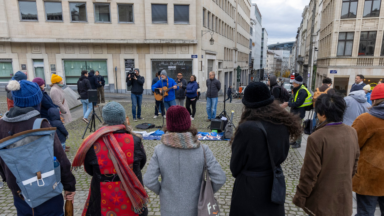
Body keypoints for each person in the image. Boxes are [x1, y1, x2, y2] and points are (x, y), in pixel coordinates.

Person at [0, 80, 76, 215]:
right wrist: (69, 186)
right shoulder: (41, 125)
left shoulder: (1, 125)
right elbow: (61, 158)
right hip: (47, 188)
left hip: (19, 189)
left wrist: (7, 177)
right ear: (37, 102)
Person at [230, 82, 302, 216]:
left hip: (249, 187)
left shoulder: (247, 128)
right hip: (273, 184)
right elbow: (283, 153)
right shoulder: (283, 122)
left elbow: (235, 166)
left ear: (248, 105)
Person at [144, 105, 226, 216]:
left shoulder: (159, 150)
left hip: (168, 209)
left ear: (168, 124)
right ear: (187, 122)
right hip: (197, 208)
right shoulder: (203, 149)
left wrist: (164, 193)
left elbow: (149, 180)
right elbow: (220, 178)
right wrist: (204, 193)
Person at [72, 102, 148, 216]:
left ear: (104, 119)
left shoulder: (93, 143)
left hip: (102, 195)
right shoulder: (135, 141)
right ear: (123, 118)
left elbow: (89, 169)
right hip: (131, 191)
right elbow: (141, 163)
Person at [293, 94, 360, 216]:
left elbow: (309, 173)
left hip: (322, 199)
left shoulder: (317, 137)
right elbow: (355, 163)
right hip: (344, 197)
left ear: (323, 114)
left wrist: (300, 197)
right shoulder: (352, 132)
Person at [351, 83, 384, 216]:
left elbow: (352, 146)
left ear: (374, 99)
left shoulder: (366, 120)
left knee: (365, 213)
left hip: (369, 178)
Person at [282, 75, 312, 148]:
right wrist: (288, 102)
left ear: (298, 83)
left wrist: (288, 104)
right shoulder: (296, 89)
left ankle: (298, 143)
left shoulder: (302, 91)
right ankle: (295, 141)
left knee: (298, 128)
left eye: (294, 83)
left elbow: (298, 103)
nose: (293, 84)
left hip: (299, 112)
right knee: (294, 127)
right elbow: (292, 98)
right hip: (295, 111)